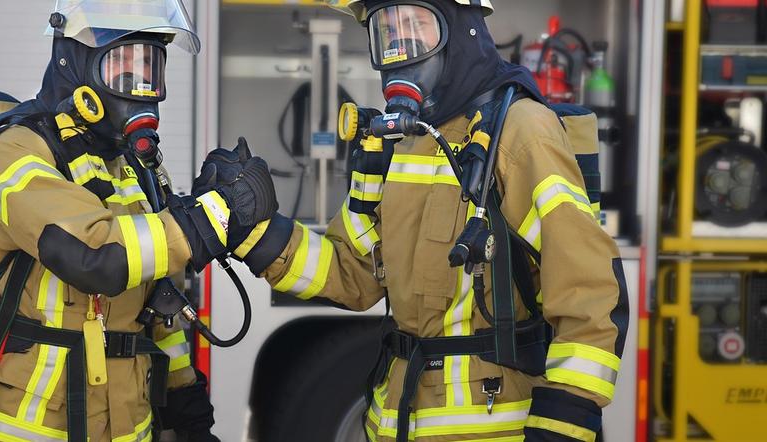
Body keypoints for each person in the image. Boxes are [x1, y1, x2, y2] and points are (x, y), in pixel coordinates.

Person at [199, 1, 630, 440]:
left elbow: (588, 292)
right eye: (386, 31)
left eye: (415, 25)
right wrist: (255, 231)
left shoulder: (522, 133)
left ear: (462, 30)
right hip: (395, 422)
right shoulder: (399, 142)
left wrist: (562, 426)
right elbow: (353, 273)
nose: (399, 47)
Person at [0, 1, 277, 441]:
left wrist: (187, 411)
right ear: (74, 63)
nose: (140, 86)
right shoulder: (17, 153)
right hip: (20, 428)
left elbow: (158, 304)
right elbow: (95, 257)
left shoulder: (129, 168)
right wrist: (213, 217)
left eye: (150, 67)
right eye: (121, 66)